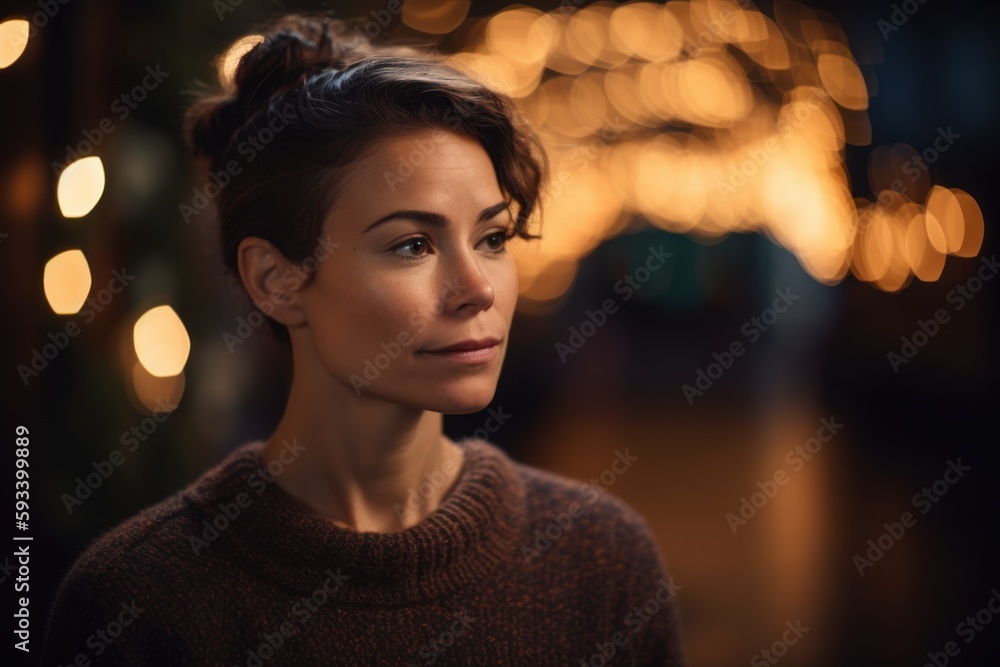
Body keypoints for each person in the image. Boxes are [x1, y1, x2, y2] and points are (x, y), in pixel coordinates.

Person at [42, 13, 685, 666]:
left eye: (492, 239)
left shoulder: (601, 560)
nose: (478, 288)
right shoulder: (137, 598)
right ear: (275, 279)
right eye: (413, 244)